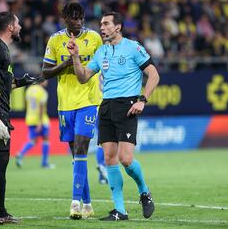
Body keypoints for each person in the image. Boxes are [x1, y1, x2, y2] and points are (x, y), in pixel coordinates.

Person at [67, 11, 159, 221]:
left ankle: (144, 191)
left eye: (106, 24)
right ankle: (120, 210)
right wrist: (75, 56)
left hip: (127, 105)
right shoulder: (101, 52)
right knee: (109, 158)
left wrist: (142, 100)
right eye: (101, 24)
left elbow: (154, 74)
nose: (102, 27)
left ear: (118, 27)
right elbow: (82, 77)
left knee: (126, 159)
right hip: (106, 106)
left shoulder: (133, 47)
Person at [0, 11, 41, 225]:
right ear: (10, 27)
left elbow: (3, 85)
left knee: (2, 161)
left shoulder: (3, 49)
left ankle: (1, 211)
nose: (21, 27)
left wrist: (23, 81)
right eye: (18, 23)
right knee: (0, 159)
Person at [42, 2, 103, 219]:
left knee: (81, 149)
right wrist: (66, 64)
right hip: (65, 103)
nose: (78, 21)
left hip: (88, 100)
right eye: (73, 17)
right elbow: (46, 72)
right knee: (77, 156)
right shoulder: (56, 39)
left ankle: (75, 202)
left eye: (81, 17)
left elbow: (103, 65)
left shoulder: (94, 38)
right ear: (65, 19)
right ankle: (87, 204)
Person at [15, 80, 54, 168]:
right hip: (41, 120)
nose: (47, 82)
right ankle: (44, 163)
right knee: (46, 139)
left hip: (30, 118)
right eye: (45, 79)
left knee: (33, 140)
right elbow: (41, 107)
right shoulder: (42, 92)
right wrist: (40, 122)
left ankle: (21, 154)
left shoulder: (29, 89)